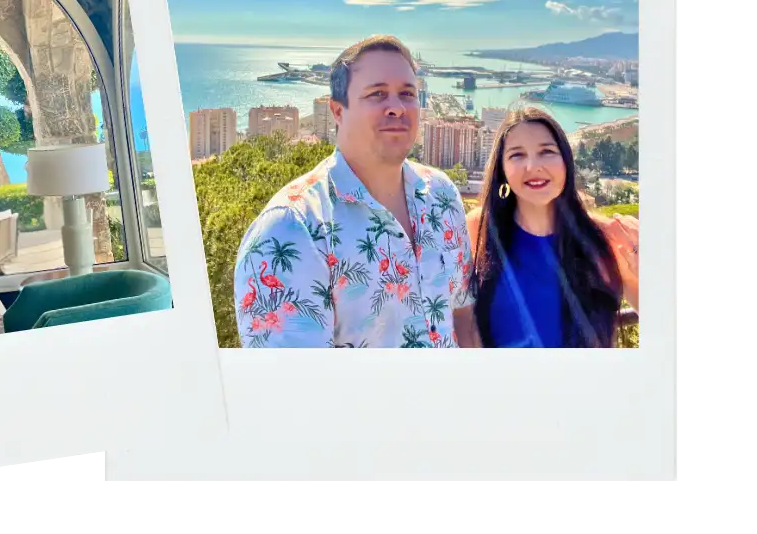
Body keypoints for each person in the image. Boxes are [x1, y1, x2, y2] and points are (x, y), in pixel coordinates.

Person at [232, 35, 473, 348]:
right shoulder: (291, 229)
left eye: (407, 93)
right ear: (337, 111)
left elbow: (464, 315)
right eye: (377, 94)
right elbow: (292, 377)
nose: (397, 108)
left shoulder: (443, 195)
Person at [454, 107, 640, 348]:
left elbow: (664, 324)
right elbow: (463, 320)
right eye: (517, 155)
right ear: (502, 169)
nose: (533, 166)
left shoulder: (607, 237)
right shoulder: (479, 227)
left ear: (566, 160)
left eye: (547, 152)